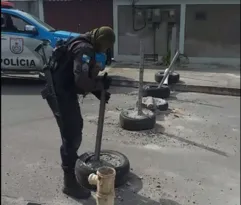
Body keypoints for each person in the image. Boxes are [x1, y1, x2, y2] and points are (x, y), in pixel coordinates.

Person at [44, 26, 115, 199]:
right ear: (99, 41)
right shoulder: (84, 48)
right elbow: (81, 81)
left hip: (62, 91)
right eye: (105, 46)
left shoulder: (81, 42)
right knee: (72, 136)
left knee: (73, 132)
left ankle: (70, 180)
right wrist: (98, 84)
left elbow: (79, 77)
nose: (104, 49)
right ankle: (70, 184)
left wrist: (98, 88)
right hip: (60, 94)